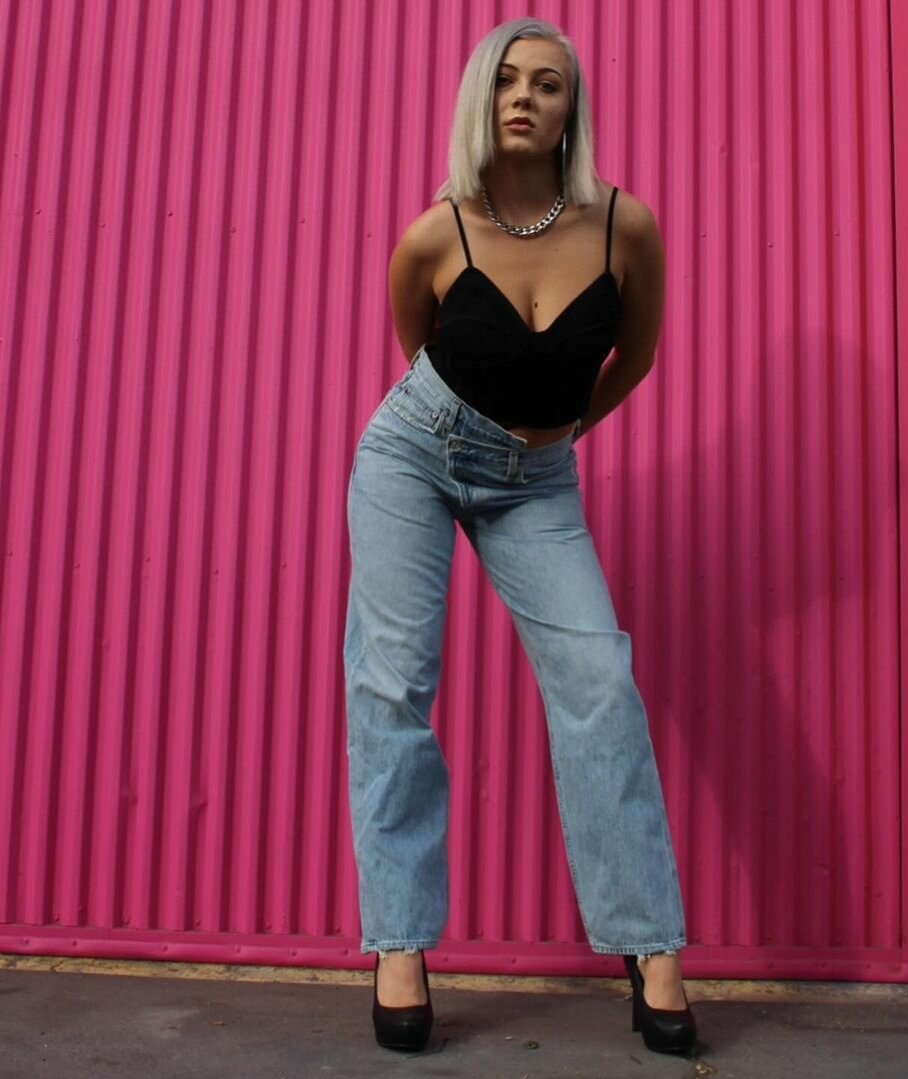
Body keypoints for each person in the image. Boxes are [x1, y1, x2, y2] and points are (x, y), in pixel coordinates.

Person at [342, 16, 697, 1055]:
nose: (524, 97)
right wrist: (472, 427)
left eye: (547, 82)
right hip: (413, 455)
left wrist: (564, 432)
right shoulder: (436, 233)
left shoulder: (624, 224)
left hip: (535, 482)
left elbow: (635, 353)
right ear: (480, 100)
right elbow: (420, 349)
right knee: (394, 682)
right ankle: (400, 941)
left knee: (600, 682)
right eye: (506, 80)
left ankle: (650, 944)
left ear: (570, 107)